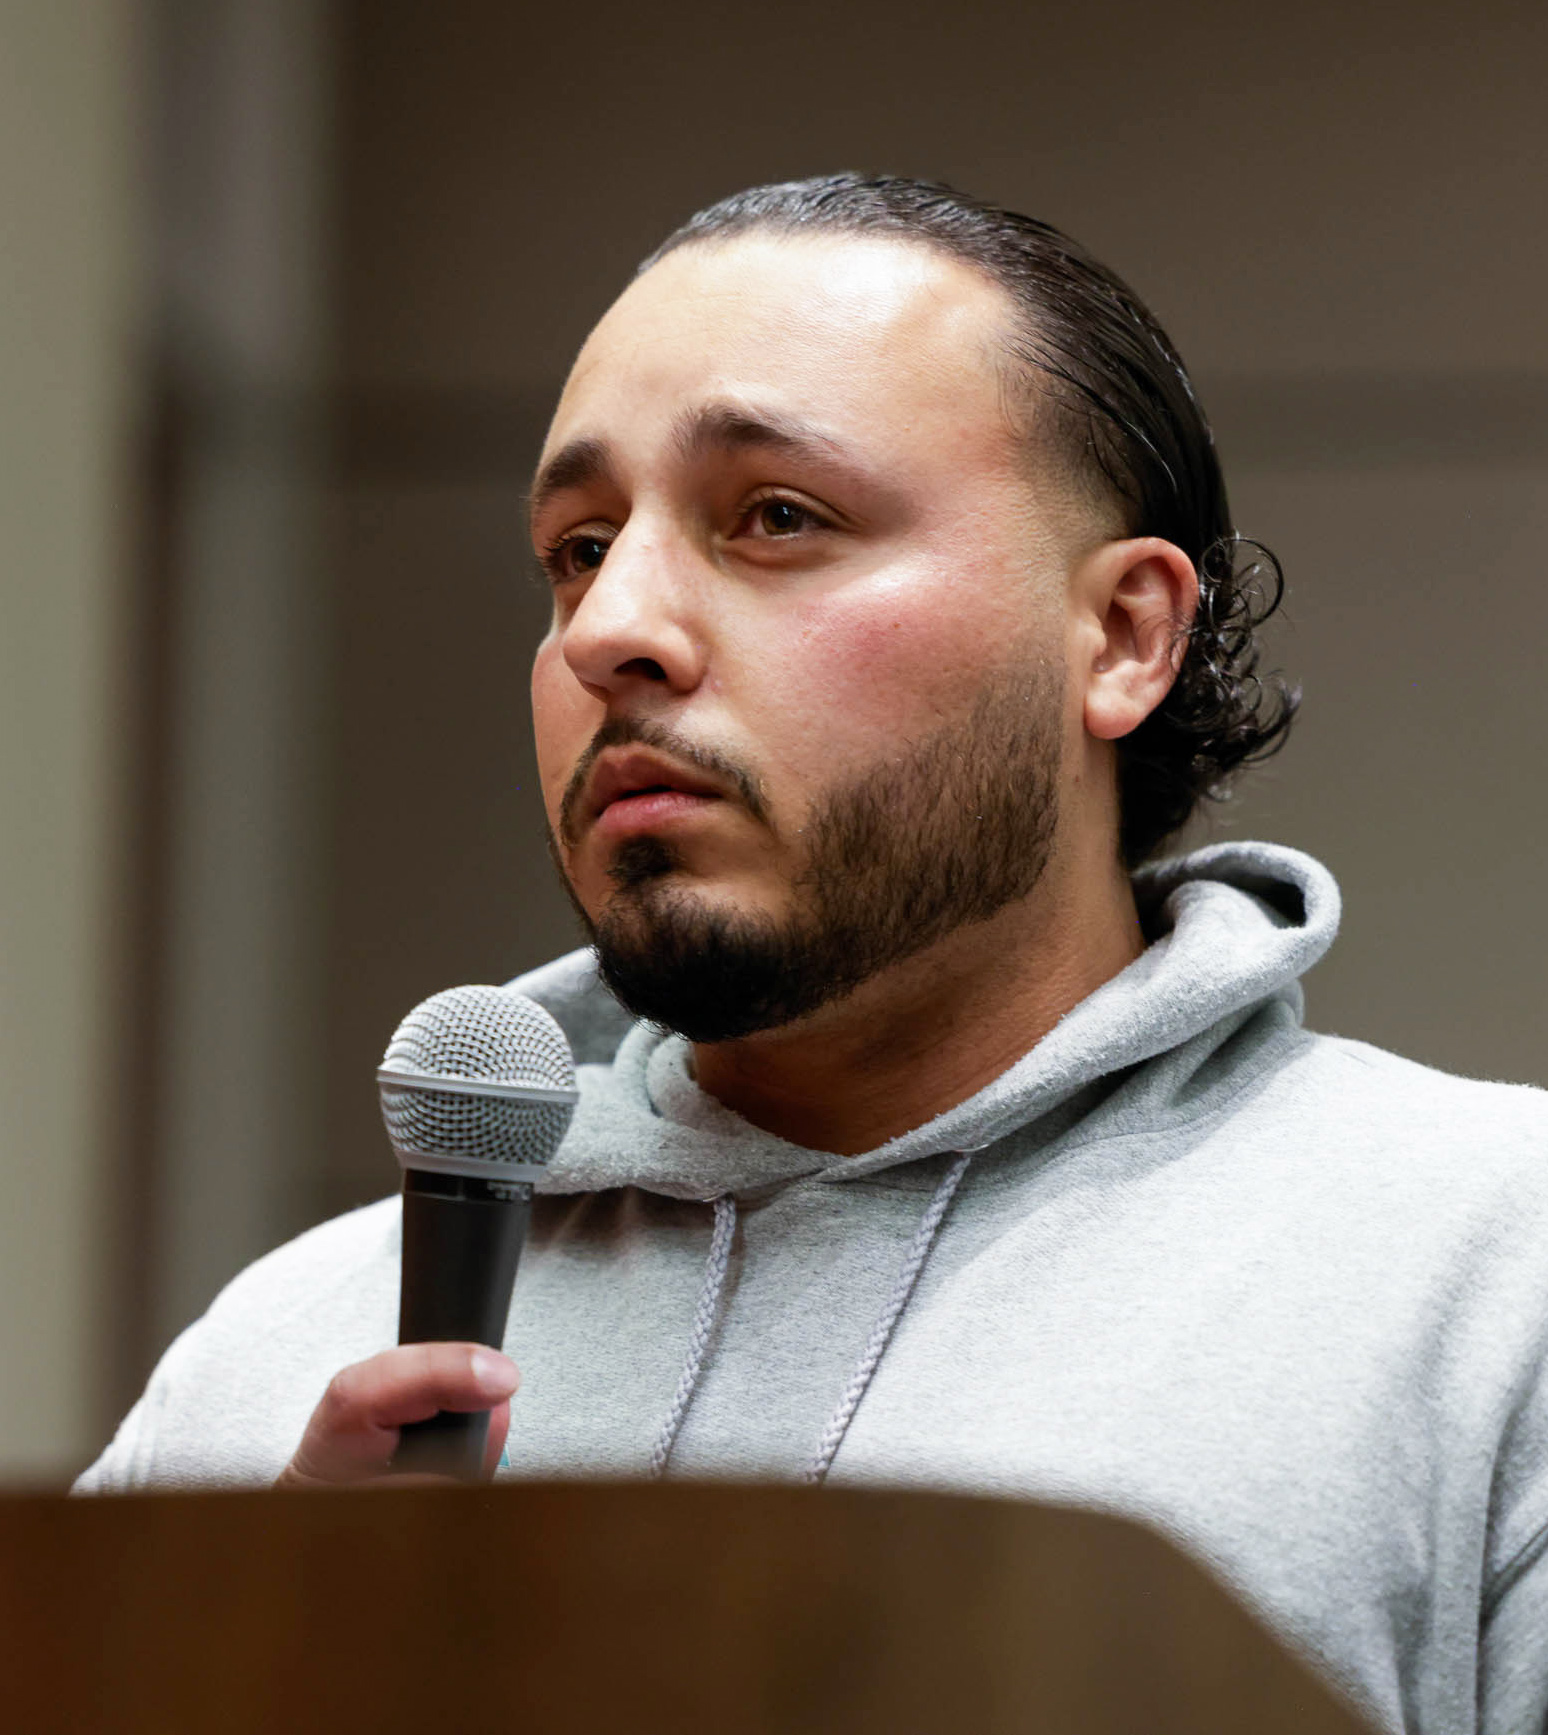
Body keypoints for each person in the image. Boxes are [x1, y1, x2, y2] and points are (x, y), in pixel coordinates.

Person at [78, 176, 1548, 1733]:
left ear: (1121, 637)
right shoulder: (277, 1368)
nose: (608, 628)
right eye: (577, 548)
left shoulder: (1490, 1281)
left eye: (778, 517)